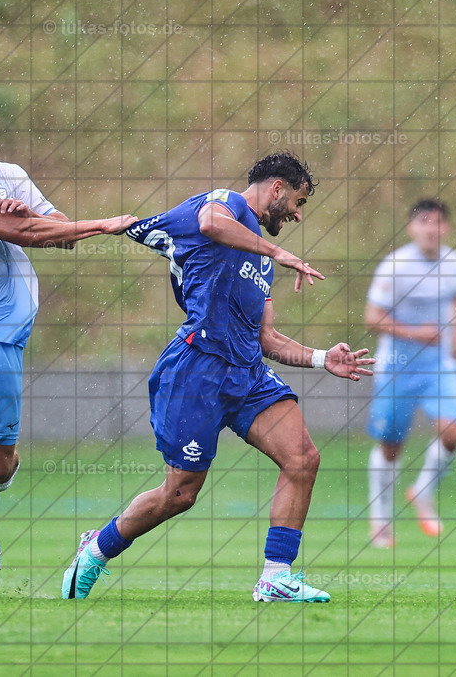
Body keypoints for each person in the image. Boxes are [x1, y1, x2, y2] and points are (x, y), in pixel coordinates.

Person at [61, 152, 375, 602]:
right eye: (298, 202)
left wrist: (322, 357)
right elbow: (210, 223)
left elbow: (267, 338)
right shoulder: (225, 205)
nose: (298, 215)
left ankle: (276, 577)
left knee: (303, 458)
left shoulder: (260, 260)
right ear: (276, 189)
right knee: (180, 495)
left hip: (246, 373)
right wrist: (277, 249)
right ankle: (97, 548)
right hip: (196, 369)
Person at [0, 89, 137, 575]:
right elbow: (25, 234)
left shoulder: (9, 176)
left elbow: (56, 232)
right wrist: (103, 224)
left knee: (1, 464)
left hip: (3, 336)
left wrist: (35, 216)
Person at [364, 199, 456, 548]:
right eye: (424, 222)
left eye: (437, 222)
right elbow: (373, 317)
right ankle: (380, 521)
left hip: (438, 366)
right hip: (397, 368)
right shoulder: (395, 266)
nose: (430, 228)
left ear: (446, 228)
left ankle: (422, 491)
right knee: (391, 446)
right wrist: (416, 333)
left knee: (453, 431)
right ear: (412, 228)